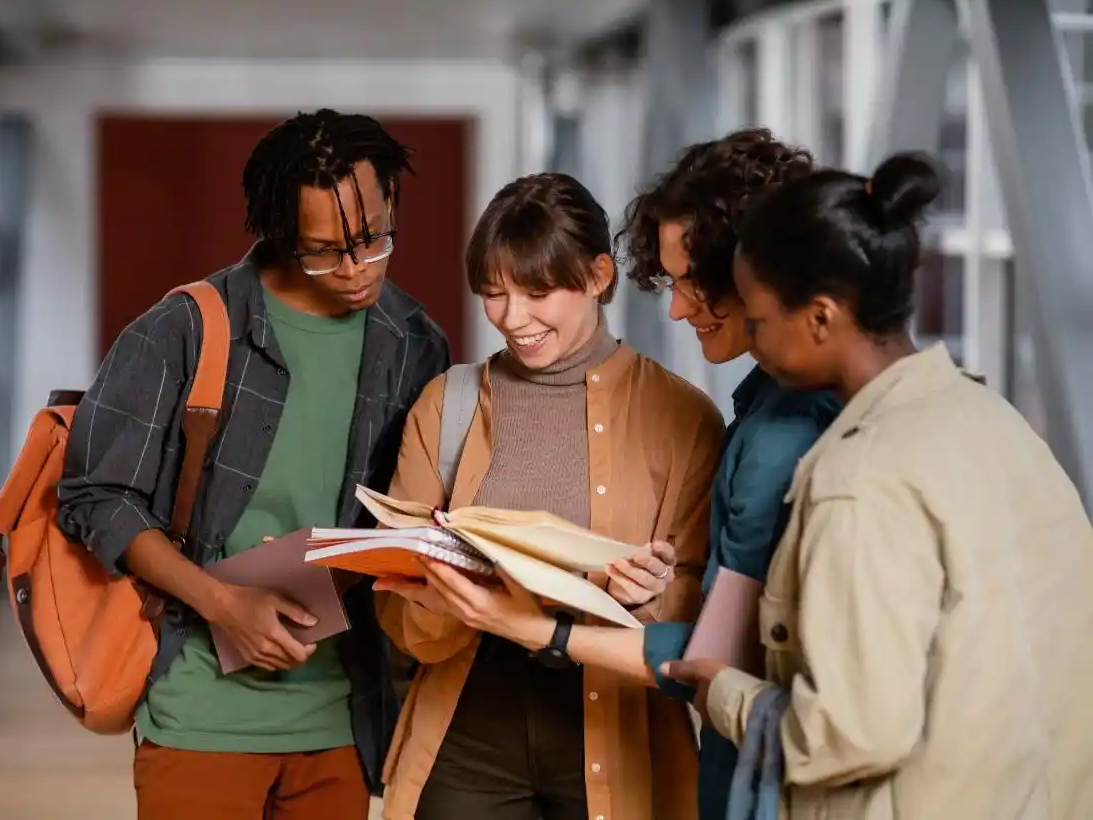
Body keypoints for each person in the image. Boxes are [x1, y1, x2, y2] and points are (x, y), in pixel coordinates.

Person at [415, 129, 840, 820]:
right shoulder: (756, 415)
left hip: (757, 763)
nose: (673, 307)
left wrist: (559, 622)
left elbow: (719, 646)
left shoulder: (748, 428)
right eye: (494, 293)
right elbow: (725, 638)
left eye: (689, 281)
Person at [654, 152, 1093, 818]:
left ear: (821, 317)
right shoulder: (999, 424)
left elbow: (847, 733)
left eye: (763, 321)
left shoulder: (855, 479)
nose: (757, 341)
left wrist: (723, 691)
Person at [57, 108, 451, 820]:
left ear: (392, 199)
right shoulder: (183, 329)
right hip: (200, 710)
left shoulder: (415, 343)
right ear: (278, 234)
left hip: (344, 717)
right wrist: (220, 603)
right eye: (324, 251)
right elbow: (97, 495)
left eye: (374, 240)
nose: (357, 270)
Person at [372, 171, 725, 820]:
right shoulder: (444, 406)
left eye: (537, 292)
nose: (513, 318)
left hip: (618, 730)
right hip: (467, 731)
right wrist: (441, 589)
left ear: (596, 276)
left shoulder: (683, 418)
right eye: (494, 294)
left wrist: (638, 598)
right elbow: (400, 618)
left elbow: (705, 609)